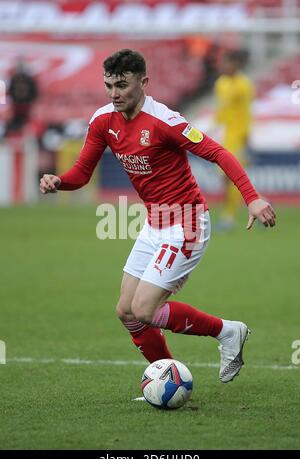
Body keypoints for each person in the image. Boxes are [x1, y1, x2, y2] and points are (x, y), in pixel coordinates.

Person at [40, 49, 276, 384]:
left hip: (187, 222)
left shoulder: (165, 121)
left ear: (144, 82)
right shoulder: (103, 121)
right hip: (155, 224)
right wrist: (59, 181)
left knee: (144, 310)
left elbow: (219, 152)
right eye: (109, 85)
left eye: (122, 84)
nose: (114, 93)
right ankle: (168, 378)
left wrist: (251, 198)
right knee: (126, 312)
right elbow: (81, 172)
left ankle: (227, 332)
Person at [213, 49, 255, 231]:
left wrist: (246, 140)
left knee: (229, 177)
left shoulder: (244, 86)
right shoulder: (221, 83)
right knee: (230, 178)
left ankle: (228, 217)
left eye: (227, 62)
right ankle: (263, 204)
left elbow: (246, 114)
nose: (223, 66)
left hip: (237, 137)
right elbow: (222, 110)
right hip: (224, 135)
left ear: (236, 64)